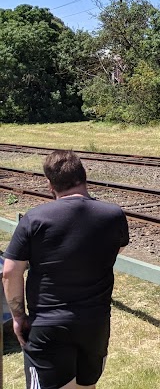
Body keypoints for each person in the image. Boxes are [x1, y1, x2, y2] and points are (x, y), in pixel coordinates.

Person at [2, 150, 129, 389]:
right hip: (95, 323)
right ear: (84, 176)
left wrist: (18, 317)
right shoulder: (113, 215)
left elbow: (10, 271)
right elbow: (115, 250)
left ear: (50, 185)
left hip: (48, 325)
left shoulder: (34, 219)